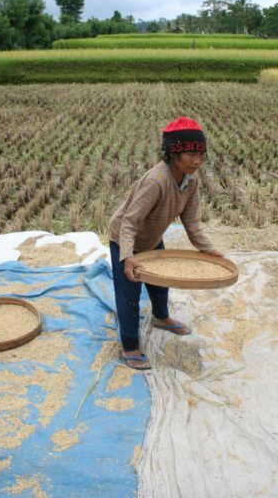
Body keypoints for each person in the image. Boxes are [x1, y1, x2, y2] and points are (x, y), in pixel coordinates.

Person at [108, 117, 224, 370]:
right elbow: (129, 221)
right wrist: (127, 256)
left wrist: (211, 251)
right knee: (130, 294)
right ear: (174, 152)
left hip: (151, 238)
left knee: (160, 283)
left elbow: (192, 223)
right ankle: (129, 345)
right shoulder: (156, 181)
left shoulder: (190, 182)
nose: (198, 161)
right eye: (192, 154)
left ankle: (161, 318)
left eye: (201, 155)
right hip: (124, 239)